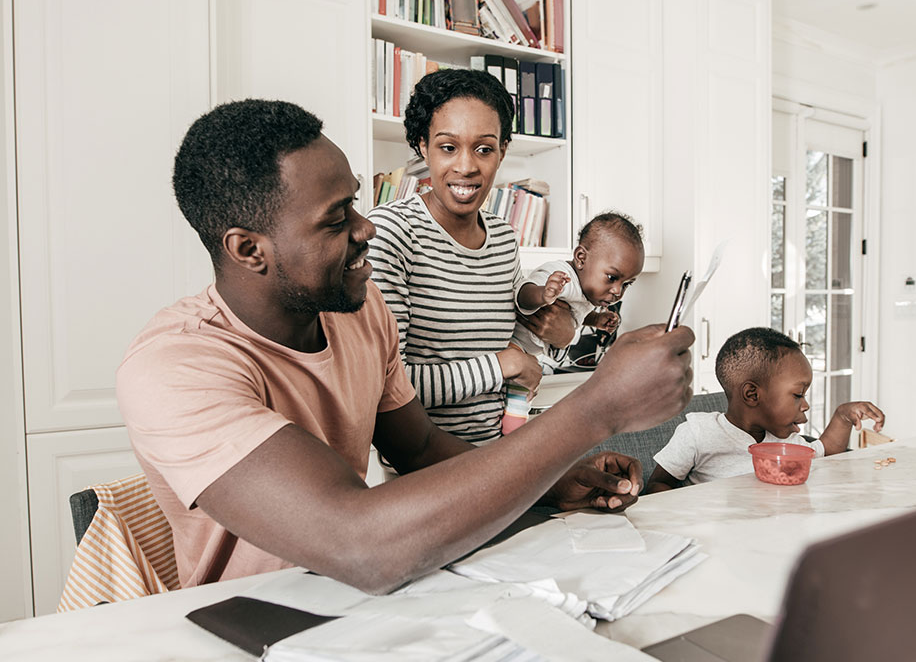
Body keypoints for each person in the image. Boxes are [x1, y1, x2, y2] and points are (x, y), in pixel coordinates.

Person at [116, 99, 695, 594]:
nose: (365, 228)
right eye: (335, 218)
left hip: (369, 604)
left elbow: (418, 448)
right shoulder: (174, 366)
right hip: (257, 620)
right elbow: (357, 544)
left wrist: (554, 479)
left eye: (356, 203)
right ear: (248, 250)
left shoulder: (361, 314)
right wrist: (598, 407)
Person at [367, 68, 574, 445]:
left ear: (502, 151)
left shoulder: (504, 239)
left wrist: (560, 337)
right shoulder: (391, 233)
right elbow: (385, 386)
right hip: (423, 469)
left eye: (484, 148)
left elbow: (523, 349)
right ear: (421, 145)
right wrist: (501, 365)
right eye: (448, 147)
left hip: (501, 455)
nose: (466, 166)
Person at [646, 327, 884, 493]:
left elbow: (828, 451)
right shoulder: (698, 433)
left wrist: (842, 416)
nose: (805, 405)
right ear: (752, 395)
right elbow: (657, 485)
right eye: (797, 395)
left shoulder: (788, 443)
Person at [502, 212, 645, 434]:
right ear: (580, 258)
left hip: (528, 356)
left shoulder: (586, 294)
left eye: (627, 284)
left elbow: (576, 315)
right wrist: (542, 294)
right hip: (513, 347)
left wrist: (596, 319)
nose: (618, 291)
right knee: (517, 409)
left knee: (522, 402)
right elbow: (521, 294)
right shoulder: (562, 277)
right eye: (612, 277)